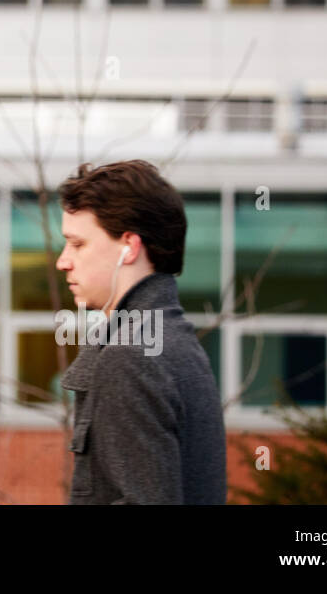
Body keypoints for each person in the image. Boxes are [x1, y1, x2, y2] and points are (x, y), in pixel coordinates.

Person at [56, 160, 226, 504]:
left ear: (129, 247)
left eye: (78, 244)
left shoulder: (130, 355)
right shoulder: (171, 338)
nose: (63, 261)